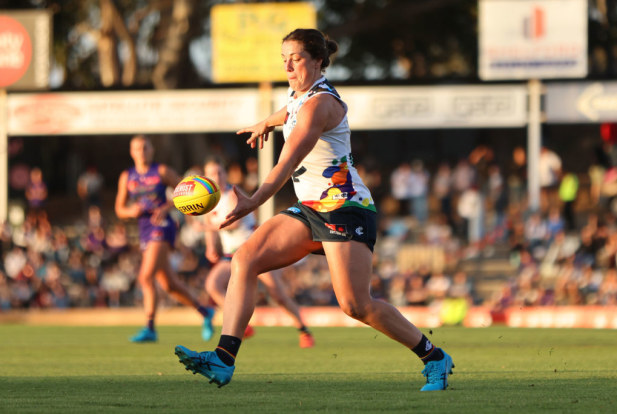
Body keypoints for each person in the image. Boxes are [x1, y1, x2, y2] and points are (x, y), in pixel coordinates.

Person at [174, 29, 453, 391]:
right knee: (244, 259)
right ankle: (223, 359)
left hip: (345, 208)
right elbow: (289, 110)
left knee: (355, 305)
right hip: (310, 208)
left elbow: (288, 162)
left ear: (319, 61)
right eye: (284, 59)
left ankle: (434, 357)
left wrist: (253, 201)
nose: (288, 65)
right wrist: (266, 123)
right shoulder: (300, 95)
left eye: (297, 58)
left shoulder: (321, 104)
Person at [202, 158, 315, 348]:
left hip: (253, 251)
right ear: (206, 177)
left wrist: (206, 226)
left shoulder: (233, 194)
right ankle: (241, 326)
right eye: (212, 173)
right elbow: (209, 228)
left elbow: (233, 221)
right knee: (212, 285)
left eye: (220, 172)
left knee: (277, 294)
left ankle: (303, 329)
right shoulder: (209, 201)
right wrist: (210, 247)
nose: (217, 176)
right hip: (231, 255)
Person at [115, 134, 214, 342]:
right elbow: (119, 209)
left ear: (151, 150)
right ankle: (205, 312)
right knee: (169, 284)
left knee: (145, 276)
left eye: (145, 147)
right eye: (137, 148)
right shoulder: (127, 176)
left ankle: (150, 327)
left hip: (162, 227)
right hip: (144, 229)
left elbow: (187, 194)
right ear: (131, 152)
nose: (142, 151)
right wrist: (131, 211)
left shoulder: (161, 171)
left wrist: (166, 206)